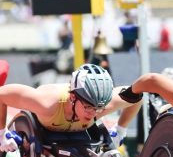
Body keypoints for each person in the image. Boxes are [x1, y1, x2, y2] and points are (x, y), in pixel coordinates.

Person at [0, 63, 142, 152]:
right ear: (73, 97)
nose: (93, 113)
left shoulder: (104, 105)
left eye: (98, 108)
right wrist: (2, 134)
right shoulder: (46, 103)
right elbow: (1, 96)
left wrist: (120, 130)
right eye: (88, 107)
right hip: (44, 127)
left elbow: (137, 96)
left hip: (77, 132)